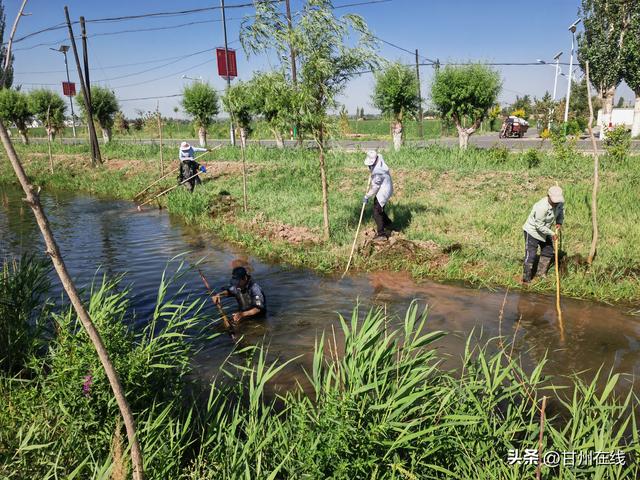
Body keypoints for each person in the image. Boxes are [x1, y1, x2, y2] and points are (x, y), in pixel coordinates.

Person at [522, 185, 565, 284]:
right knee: (531, 254)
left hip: (545, 231)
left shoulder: (559, 203)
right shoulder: (541, 206)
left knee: (548, 251)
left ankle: (540, 274)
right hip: (532, 231)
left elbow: (561, 212)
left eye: (557, 201)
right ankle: (526, 279)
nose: (556, 203)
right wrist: (552, 233)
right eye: (554, 201)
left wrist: (559, 222)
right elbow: (539, 225)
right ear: (548, 196)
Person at [363, 150, 394, 241]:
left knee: (377, 212)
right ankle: (387, 223)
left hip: (383, 191)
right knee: (379, 206)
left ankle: (381, 234)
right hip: (386, 186)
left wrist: (367, 196)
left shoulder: (378, 172)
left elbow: (375, 188)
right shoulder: (379, 157)